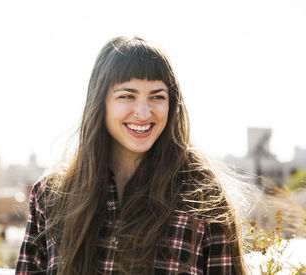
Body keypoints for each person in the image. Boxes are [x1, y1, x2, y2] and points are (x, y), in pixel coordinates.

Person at [16, 36, 248, 274]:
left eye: (157, 97)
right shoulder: (51, 196)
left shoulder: (203, 197)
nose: (143, 112)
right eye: (127, 96)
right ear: (100, 102)